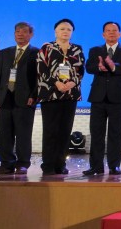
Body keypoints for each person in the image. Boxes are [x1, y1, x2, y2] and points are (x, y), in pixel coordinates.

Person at [83, 22, 121, 176]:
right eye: (108, 31)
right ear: (103, 34)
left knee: (116, 133)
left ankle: (114, 166)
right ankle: (96, 166)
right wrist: (98, 67)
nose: (111, 33)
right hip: (98, 97)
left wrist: (114, 67)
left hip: (118, 98)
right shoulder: (95, 50)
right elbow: (88, 67)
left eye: (114, 30)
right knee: (96, 133)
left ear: (120, 34)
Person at [0, 22, 38, 175]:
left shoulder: (37, 53)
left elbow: (39, 78)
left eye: (24, 32)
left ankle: (23, 164)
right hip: (5, 97)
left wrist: (34, 95)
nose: (20, 34)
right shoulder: (5, 53)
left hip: (25, 98)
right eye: (17, 31)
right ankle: (6, 164)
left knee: (23, 134)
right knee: (4, 134)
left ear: (31, 34)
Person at [37, 18, 84, 175]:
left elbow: (80, 70)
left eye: (69, 29)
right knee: (50, 130)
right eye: (62, 29)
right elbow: (41, 69)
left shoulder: (77, 49)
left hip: (70, 94)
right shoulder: (46, 48)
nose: (66, 31)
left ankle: (60, 164)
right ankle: (48, 164)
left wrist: (72, 83)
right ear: (55, 31)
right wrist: (56, 83)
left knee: (65, 130)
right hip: (50, 93)